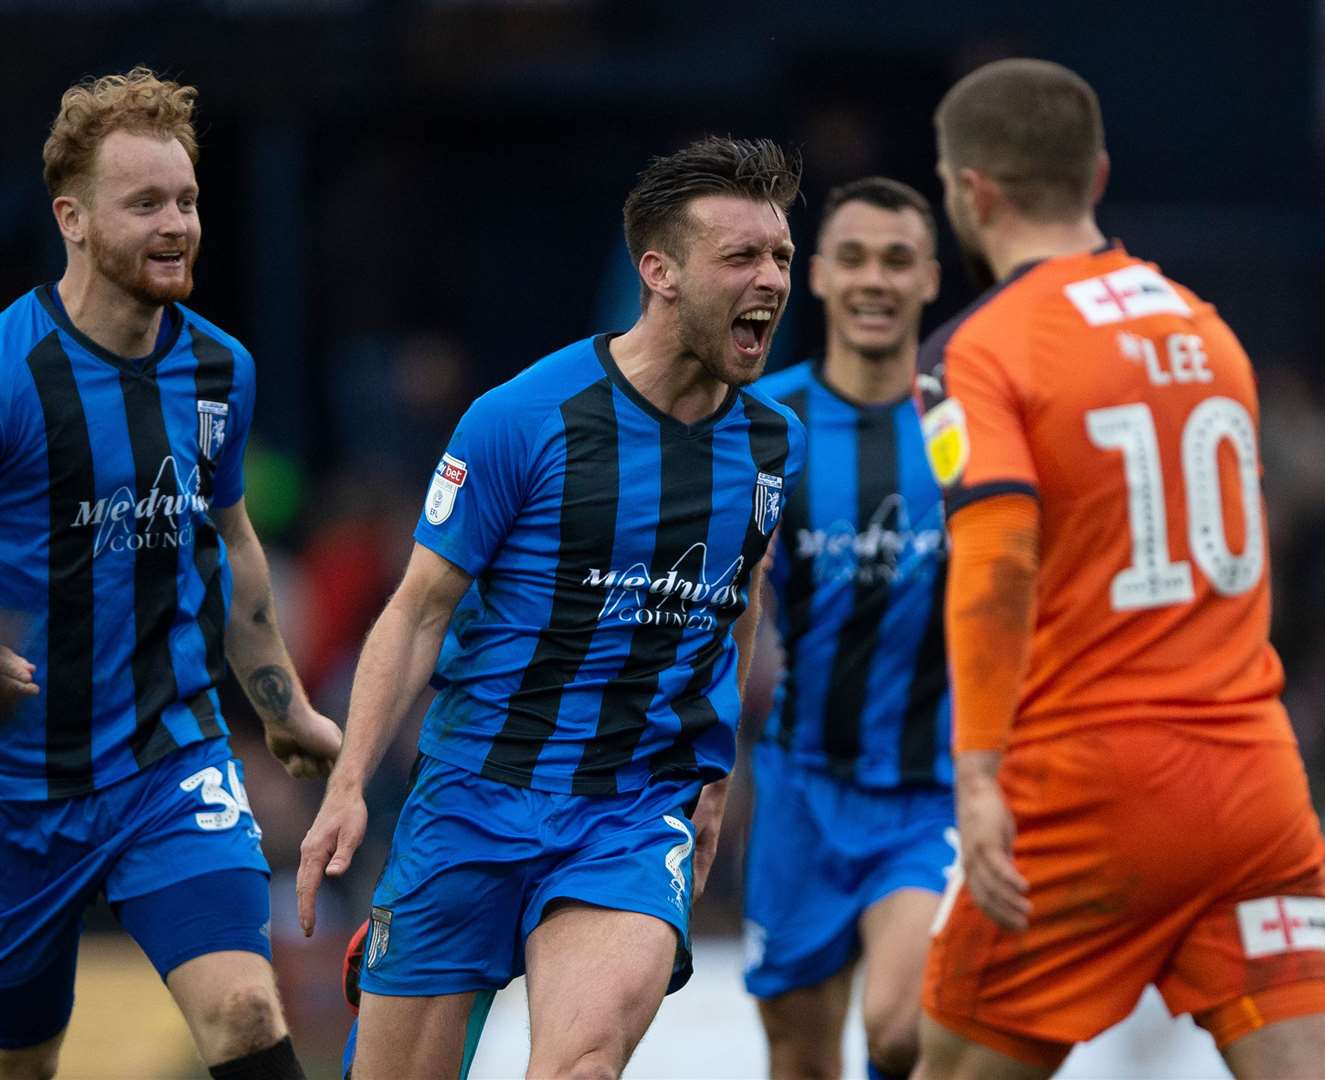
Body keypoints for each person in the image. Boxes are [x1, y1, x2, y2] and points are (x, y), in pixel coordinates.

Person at [296, 135, 807, 1080]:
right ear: (658, 272)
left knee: (579, 1065)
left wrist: (719, 771)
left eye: (779, 255)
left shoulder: (773, 446)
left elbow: (739, 604)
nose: (771, 279)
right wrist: (349, 783)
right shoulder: (522, 418)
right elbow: (415, 611)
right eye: (740, 257)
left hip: (631, 809)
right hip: (471, 797)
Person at [914, 59, 1325, 1079]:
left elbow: (992, 559)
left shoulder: (974, 351)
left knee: (938, 1061)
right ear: (1097, 173)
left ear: (971, 190)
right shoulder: (1206, 332)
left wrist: (978, 776)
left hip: (1088, 786)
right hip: (1252, 780)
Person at [0, 68, 341, 1080]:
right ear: (73, 218)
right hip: (17, 790)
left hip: (166, 758)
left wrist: (279, 704)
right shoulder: (12, 373)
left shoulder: (220, 370)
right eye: (145, 202)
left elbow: (229, 540)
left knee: (242, 1011)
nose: (178, 223)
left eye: (187, 201)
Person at [742, 177, 949, 1080]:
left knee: (902, 1030)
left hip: (928, 796)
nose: (875, 279)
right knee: (798, 1055)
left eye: (897, 260)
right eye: (855, 258)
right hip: (799, 791)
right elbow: (729, 608)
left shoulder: (964, 425)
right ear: (818, 276)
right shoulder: (764, 425)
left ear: (929, 280)